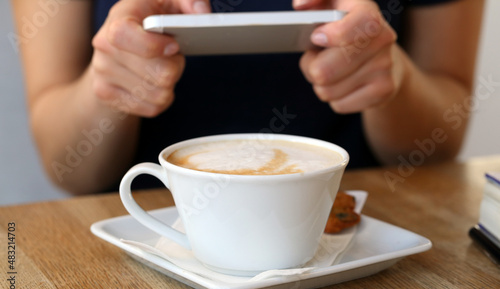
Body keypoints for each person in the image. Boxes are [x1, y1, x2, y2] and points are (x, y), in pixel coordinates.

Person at [11, 0, 484, 194]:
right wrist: (110, 89)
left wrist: (390, 78)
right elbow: (66, 164)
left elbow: (440, 139)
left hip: (359, 232)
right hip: (151, 245)